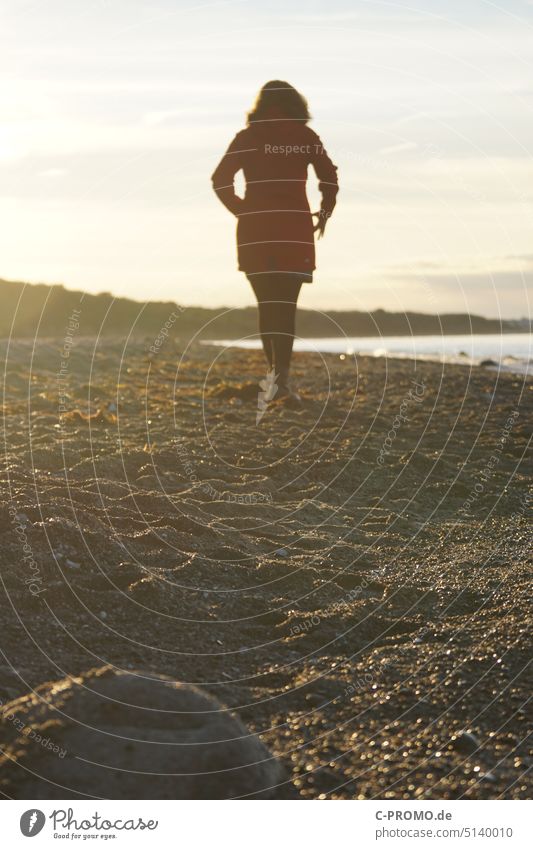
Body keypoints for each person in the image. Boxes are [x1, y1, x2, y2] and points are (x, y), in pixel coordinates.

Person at [211, 80, 339, 402]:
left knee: (267, 306)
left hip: (256, 233)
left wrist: (243, 211)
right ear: (297, 104)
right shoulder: (304, 136)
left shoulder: (248, 137)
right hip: (294, 231)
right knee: (286, 307)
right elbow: (330, 177)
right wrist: (324, 213)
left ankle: (275, 379)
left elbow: (220, 179)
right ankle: (281, 381)